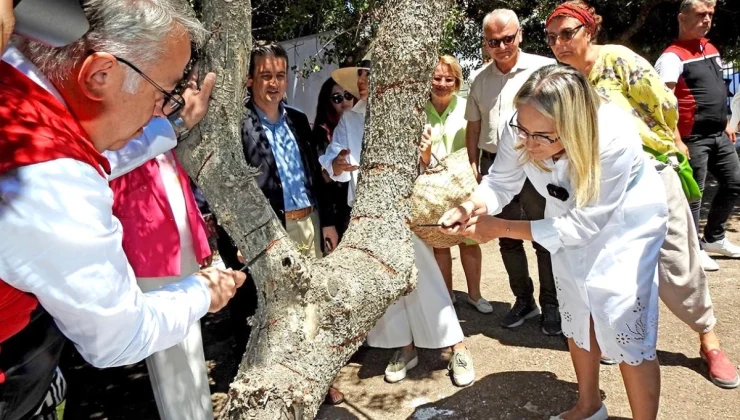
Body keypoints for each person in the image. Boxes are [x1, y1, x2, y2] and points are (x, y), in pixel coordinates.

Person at [0, 2, 246, 419]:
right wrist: (203, 292)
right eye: (162, 92)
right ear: (100, 74)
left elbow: (97, 159)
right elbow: (119, 338)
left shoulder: (17, 70)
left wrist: (173, 127)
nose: (159, 109)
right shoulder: (51, 181)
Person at [441, 65, 668, 420]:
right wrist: (471, 206)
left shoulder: (613, 136)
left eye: (542, 136)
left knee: (623, 319)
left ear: (574, 127)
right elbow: (501, 182)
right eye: (524, 130)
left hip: (626, 220)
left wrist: (499, 227)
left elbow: (584, 225)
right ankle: (588, 405)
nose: (528, 144)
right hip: (565, 213)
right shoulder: (524, 124)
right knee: (576, 306)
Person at [546, 0, 738, 391]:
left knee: (677, 263)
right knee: (607, 269)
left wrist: (663, 142)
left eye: (568, 33)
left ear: (589, 30)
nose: (560, 43)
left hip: (650, 174)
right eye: (552, 37)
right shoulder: (562, 79)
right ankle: (615, 340)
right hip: (597, 186)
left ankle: (709, 340)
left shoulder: (617, 60)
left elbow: (663, 104)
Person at [320, 56, 476, 387]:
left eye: (370, 75)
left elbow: (427, 166)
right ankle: (404, 348)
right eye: (361, 77)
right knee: (386, 288)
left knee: (427, 279)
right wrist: (337, 164)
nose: (364, 82)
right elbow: (330, 165)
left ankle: (456, 346)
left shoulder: (410, 115)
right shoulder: (350, 119)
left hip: (405, 210)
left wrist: (423, 154)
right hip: (366, 215)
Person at [108, 121, 216, 419]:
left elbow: (184, 195)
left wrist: (200, 242)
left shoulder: (162, 138)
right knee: (169, 359)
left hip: (181, 254)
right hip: (149, 261)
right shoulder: (120, 141)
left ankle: (202, 415)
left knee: (193, 348)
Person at [465, 9, 561, 334]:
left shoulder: (545, 69)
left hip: (539, 163)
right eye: (494, 41)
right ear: (485, 43)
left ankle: (552, 304)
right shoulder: (478, 80)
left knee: (544, 235)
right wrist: (473, 165)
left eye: (508, 38)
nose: (502, 46)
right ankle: (524, 300)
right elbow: (473, 126)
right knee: (504, 237)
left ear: (519, 34)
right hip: (498, 163)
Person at [655, 0, 740, 263]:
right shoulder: (671, 57)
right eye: (700, 14)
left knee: (734, 183)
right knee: (693, 194)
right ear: (682, 18)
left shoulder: (711, 48)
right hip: (692, 138)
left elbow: (717, 89)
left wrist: (726, 122)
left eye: (710, 14)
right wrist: (676, 140)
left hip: (718, 133)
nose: (707, 20)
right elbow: (662, 104)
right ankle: (694, 250)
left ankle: (714, 238)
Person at [419, 55, 489, 313]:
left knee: (469, 239)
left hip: (463, 183)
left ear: (457, 82)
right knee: (439, 240)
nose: (442, 83)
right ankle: (446, 294)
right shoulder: (419, 109)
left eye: (449, 79)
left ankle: (475, 295)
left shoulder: (466, 107)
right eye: (437, 78)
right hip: (431, 185)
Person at [312, 77, 355, 241]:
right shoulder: (320, 136)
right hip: (334, 214)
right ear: (327, 102)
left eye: (348, 95)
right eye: (337, 98)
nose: (344, 101)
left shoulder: (361, 127)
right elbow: (320, 180)